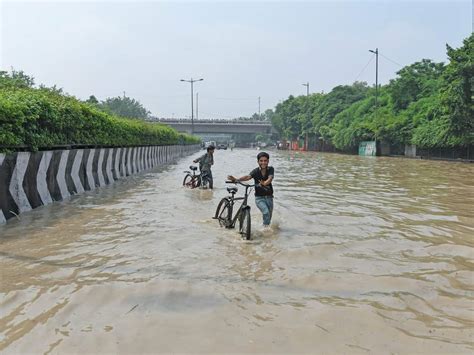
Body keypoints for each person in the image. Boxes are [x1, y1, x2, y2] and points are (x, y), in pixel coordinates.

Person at [227, 151, 274, 227]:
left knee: (269, 217)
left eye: (265, 161)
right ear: (258, 162)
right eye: (261, 161)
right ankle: (265, 230)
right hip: (259, 198)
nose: (263, 163)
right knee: (266, 213)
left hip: (269, 197)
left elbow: (270, 178)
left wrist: (264, 183)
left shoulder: (271, 169)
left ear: (268, 161)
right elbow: (248, 177)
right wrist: (237, 179)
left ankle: (266, 230)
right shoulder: (255, 171)